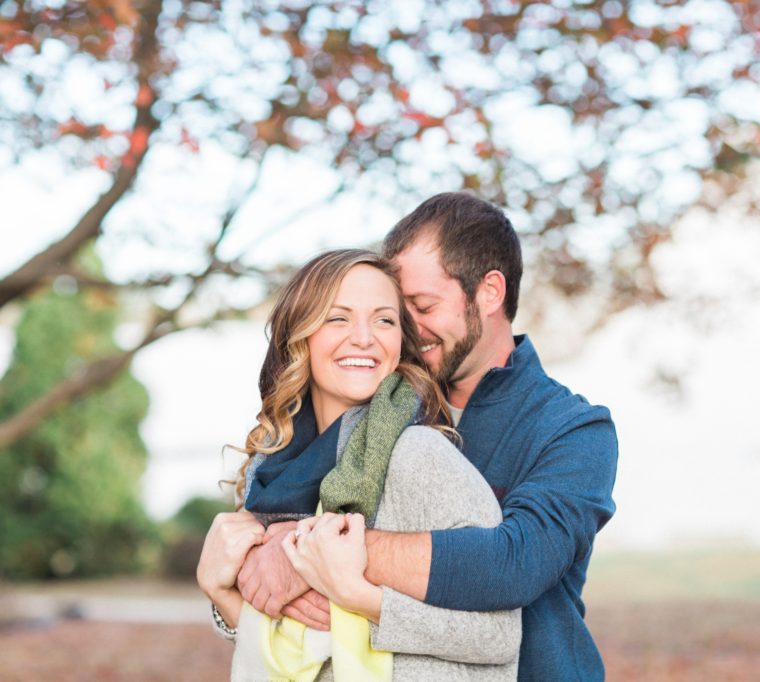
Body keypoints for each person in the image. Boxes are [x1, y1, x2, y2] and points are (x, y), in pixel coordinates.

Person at [238, 194, 619, 681]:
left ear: (489, 292)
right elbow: (297, 616)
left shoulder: (572, 429)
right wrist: (227, 574)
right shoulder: (377, 407)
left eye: (421, 306)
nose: (409, 331)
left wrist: (310, 542)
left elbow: (514, 562)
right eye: (400, 311)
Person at [196, 249, 521, 681]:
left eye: (384, 320)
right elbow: (294, 654)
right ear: (301, 335)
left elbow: (497, 637)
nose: (364, 337)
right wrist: (220, 591)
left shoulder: (419, 457)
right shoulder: (272, 468)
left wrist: (355, 595)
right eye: (338, 318)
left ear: (401, 342)